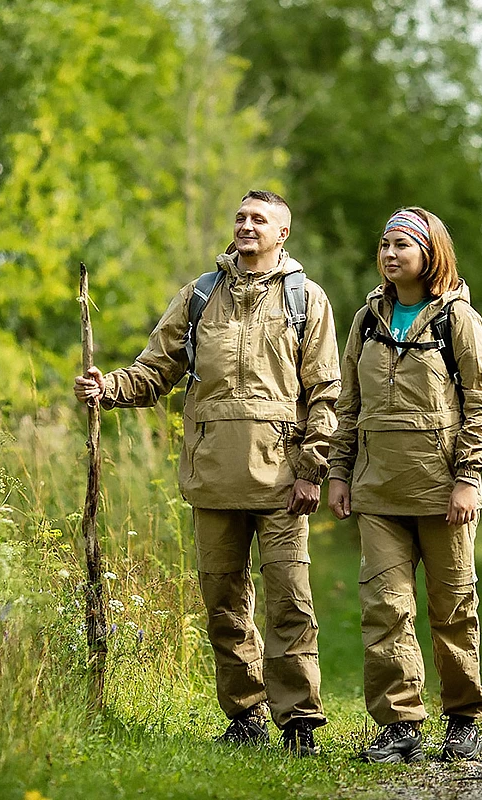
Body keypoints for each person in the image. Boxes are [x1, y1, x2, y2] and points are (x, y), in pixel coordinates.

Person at [74, 190, 340, 756]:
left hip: (281, 480)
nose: (246, 226)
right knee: (223, 600)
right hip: (212, 475)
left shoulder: (305, 299)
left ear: (282, 234)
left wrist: (312, 471)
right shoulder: (199, 296)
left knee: (288, 601)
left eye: (259, 219)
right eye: (241, 217)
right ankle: (245, 714)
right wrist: (107, 388)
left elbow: (325, 394)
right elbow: (155, 370)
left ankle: (299, 724)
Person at [327, 206, 482, 763]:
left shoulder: (458, 320)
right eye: (384, 244)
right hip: (378, 492)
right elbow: (346, 403)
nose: (390, 254)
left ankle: (463, 717)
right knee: (385, 609)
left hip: (442, 492)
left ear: (431, 254)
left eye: (403, 244)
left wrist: (467, 479)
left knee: (452, 608)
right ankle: (400, 724)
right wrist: (339, 472)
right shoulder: (366, 319)